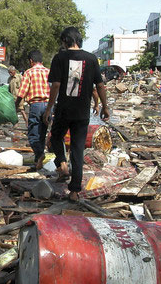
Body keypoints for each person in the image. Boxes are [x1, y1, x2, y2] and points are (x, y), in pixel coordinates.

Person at [43, 26, 110, 201]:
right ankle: (74, 191)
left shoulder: (59, 58)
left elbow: (55, 85)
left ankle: (62, 163)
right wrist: (105, 106)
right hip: (82, 112)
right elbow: (100, 85)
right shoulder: (91, 58)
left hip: (64, 109)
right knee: (78, 149)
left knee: (55, 137)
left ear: (65, 41)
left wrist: (49, 108)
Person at [16, 50, 50, 171]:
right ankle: (38, 162)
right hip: (48, 106)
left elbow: (22, 92)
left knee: (33, 134)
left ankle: (40, 154)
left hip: (36, 105)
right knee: (42, 133)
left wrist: (16, 105)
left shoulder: (29, 72)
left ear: (31, 61)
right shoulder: (48, 71)